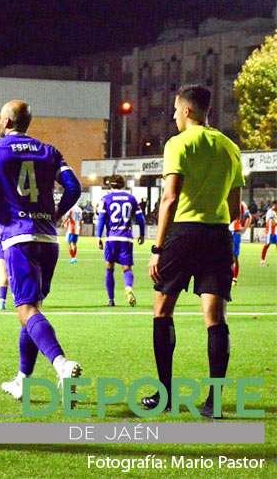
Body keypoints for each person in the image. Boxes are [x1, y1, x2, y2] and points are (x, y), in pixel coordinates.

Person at [0, 99, 82, 402]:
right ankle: (23, 379)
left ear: (6, 122)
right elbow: (74, 188)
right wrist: (57, 212)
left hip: (19, 238)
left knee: (28, 310)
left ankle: (61, 363)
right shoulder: (50, 151)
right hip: (48, 239)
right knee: (32, 310)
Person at [143, 85, 244, 419]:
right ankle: (213, 403)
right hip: (218, 235)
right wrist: (229, 242)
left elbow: (170, 197)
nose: (173, 116)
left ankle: (165, 397)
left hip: (184, 233)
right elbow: (235, 205)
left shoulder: (177, 143)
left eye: (175, 110)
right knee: (215, 318)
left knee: (162, 310)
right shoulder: (230, 147)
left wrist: (158, 248)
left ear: (187, 110)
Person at [97, 175, 146, 307]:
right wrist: (141, 234)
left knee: (109, 267)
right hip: (126, 238)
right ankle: (128, 287)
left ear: (110, 185)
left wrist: (98, 237)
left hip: (111, 238)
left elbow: (101, 219)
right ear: (123, 185)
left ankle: (111, 299)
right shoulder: (131, 199)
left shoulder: (106, 199)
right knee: (127, 268)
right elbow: (140, 219)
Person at [229, 201, 251, 284]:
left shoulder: (241, 203)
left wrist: (244, 228)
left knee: (234, 256)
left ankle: (234, 278)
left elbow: (248, 216)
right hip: (227, 231)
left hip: (235, 232)